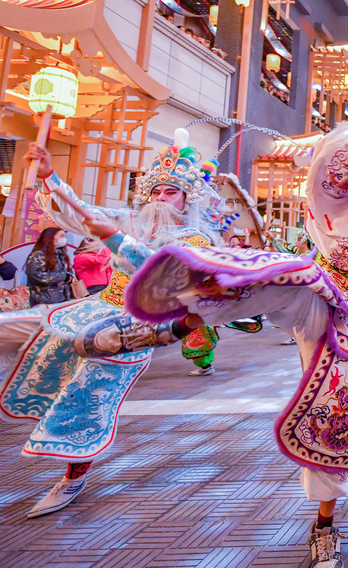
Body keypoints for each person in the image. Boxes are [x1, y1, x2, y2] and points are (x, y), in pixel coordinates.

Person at [121, 102, 348, 568]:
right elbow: (336, 163)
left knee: (338, 403)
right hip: (314, 282)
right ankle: (175, 326)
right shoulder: (346, 200)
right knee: (273, 278)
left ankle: (324, 523)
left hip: (346, 312)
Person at [0, 132, 225, 518]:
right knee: (12, 331)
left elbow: (159, 271)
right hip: (92, 307)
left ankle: (73, 476)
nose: (160, 199)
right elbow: (80, 212)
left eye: (170, 192)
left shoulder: (195, 239)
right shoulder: (131, 222)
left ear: (187, 200)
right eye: (156, 191)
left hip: (131, 326)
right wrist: (51, 176)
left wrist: (117, 239)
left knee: (88, 394)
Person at [24, 227, 74, 306]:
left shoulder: (62, 255)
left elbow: (67, 272)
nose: (64, 239)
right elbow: (35, 275)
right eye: (61, 236)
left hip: (62, 300)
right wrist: (63, 277)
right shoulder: (38, 255)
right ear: (51, 237)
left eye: (64, 236)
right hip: (44, 301)